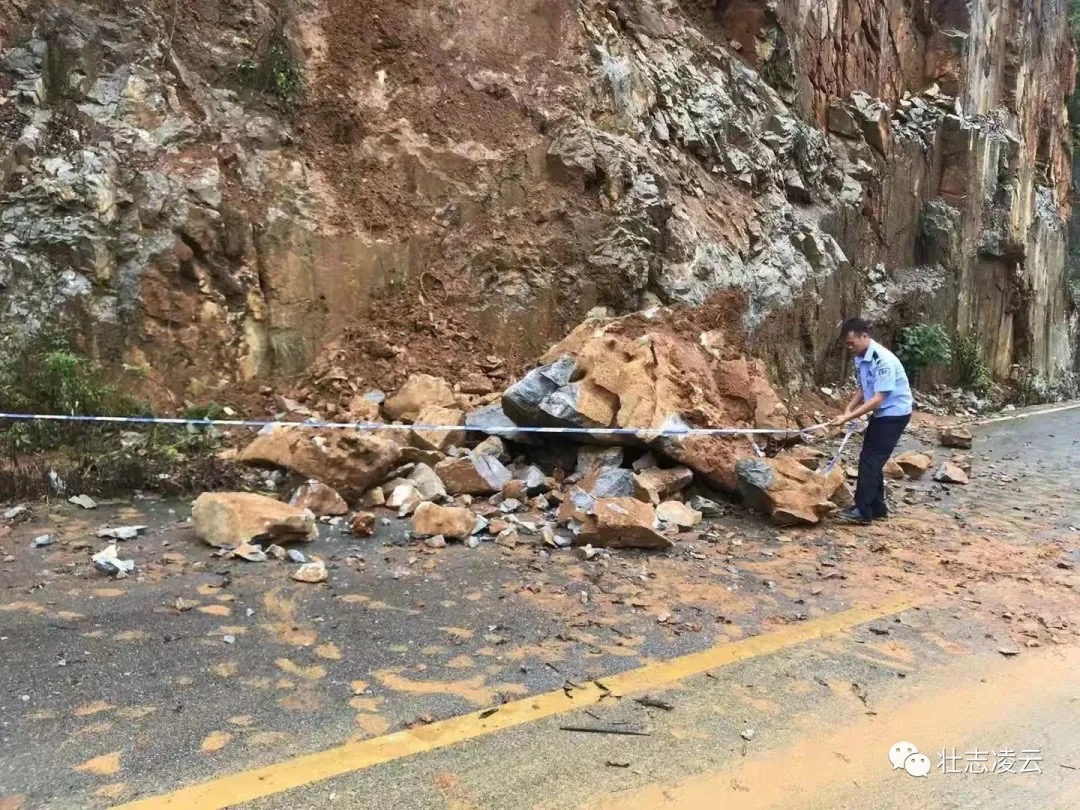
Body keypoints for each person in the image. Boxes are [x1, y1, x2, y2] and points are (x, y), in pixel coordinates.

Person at [829, 318, 913, 524]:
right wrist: (848, 408)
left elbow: (878, 398)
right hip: (883, 413)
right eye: (847, 344)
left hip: (894, 414)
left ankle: (863, 511)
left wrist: (848, 417)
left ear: (864, 336)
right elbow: (864, 387)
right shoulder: (861, 356)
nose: (849, 347)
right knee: (870, 458)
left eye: (852, 343)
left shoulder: (881, 360)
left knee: (870, 460)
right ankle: (877, 508)